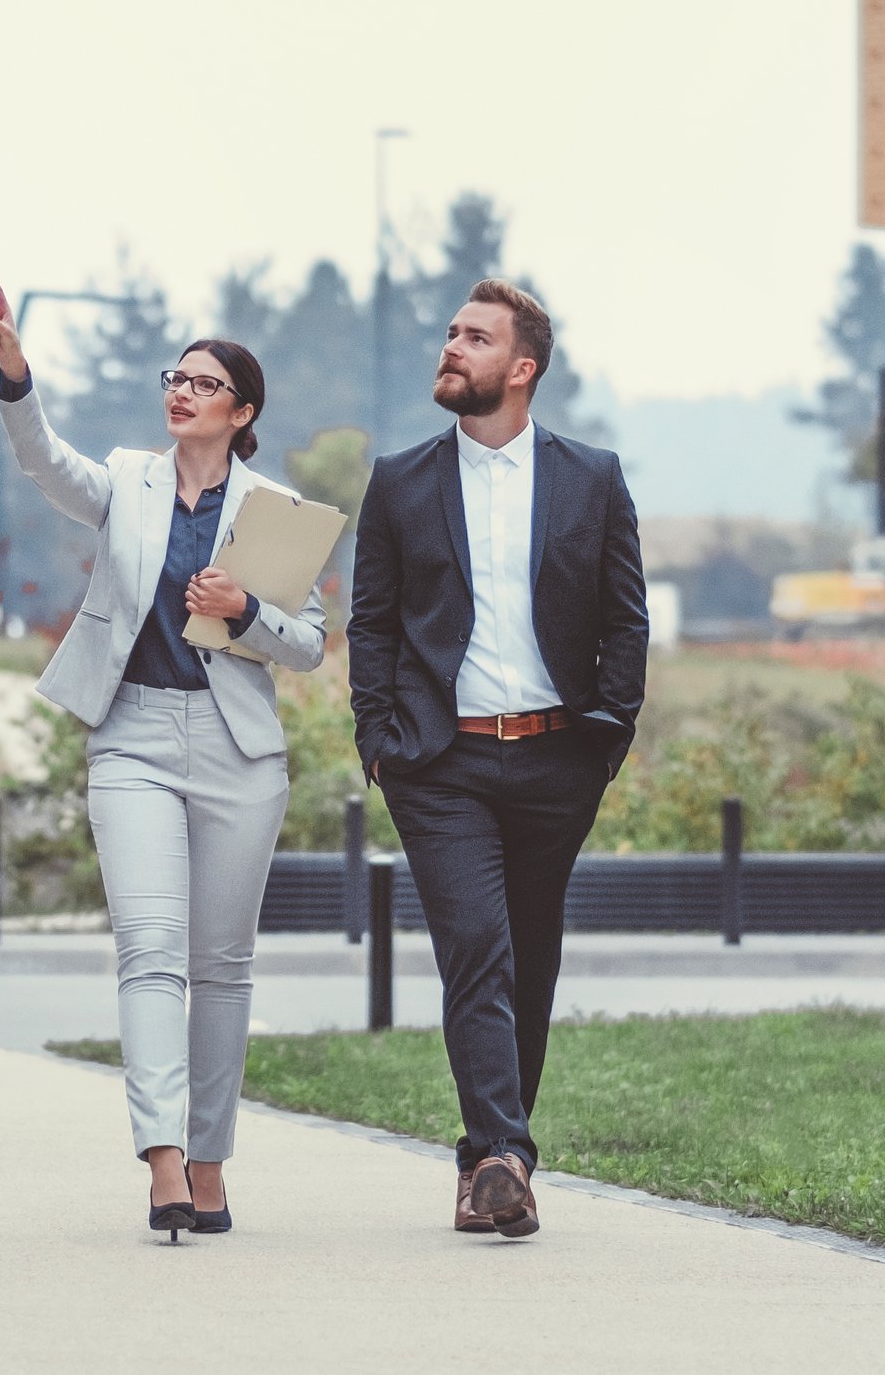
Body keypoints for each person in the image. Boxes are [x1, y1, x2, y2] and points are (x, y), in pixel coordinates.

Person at [0, 272, 330, 1242]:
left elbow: (308, 644)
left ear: (242, 411)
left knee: (220, 968)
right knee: (148, 952)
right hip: (130, 733)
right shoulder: (127, 480)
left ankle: (210, 1167)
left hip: (235, 750)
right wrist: (17, 377)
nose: (181, 391)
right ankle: (163, 1162)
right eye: (176, 377)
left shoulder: (277, 512)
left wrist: (244, 612)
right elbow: (46, 464)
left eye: (204, 384)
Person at [347, 279, 647, 1240]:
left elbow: (623, 616)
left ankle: (485, 1165)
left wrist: (607, 735)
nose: (451, 347)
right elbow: (373, 623)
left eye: (474, 337)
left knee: (530, 958)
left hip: (557, 757)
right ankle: (510, 1157)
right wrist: (382, 743)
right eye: (450, 333)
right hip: (441, 765)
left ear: (521, 369)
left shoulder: (591, 476)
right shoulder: (400, 480)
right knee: (477, 948)